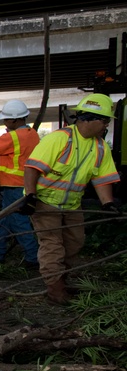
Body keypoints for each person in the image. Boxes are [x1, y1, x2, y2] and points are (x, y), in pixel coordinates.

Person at [21, 94, 121, 305]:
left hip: (72, 204)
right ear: (88, 119)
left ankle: (61, 282)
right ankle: (55, 291)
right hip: (45, 202)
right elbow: (32, 168)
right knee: (52, 246)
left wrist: (108, 204)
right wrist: (30, 196)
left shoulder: (100, 147)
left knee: (74, 243)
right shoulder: (59, 138)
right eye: (104, 121)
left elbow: (102, 179)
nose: (106, 126)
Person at [0, 100, 40, 267]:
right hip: (22, 184)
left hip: (15, 185)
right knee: (4, 221)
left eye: (6, 120)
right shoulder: (32, 134)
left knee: (19, 222)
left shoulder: (15, 136)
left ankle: (33, 258)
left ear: (15, 120)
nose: (4, 123)